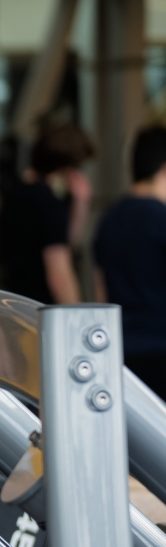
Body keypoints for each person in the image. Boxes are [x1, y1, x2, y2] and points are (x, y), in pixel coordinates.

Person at [94, 126, 166, 395]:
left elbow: (101, 294)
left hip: (121, 355)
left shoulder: (108, 219)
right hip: (161, 348)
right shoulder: (161, 218)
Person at [0, 123, 94, 304]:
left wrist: (79, 206)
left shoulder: (15, 194)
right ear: (68, 168)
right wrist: (77, 321)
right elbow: (59, 276)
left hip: (15, 305)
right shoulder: (49, 204)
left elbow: (65, 244)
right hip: (42, 312)